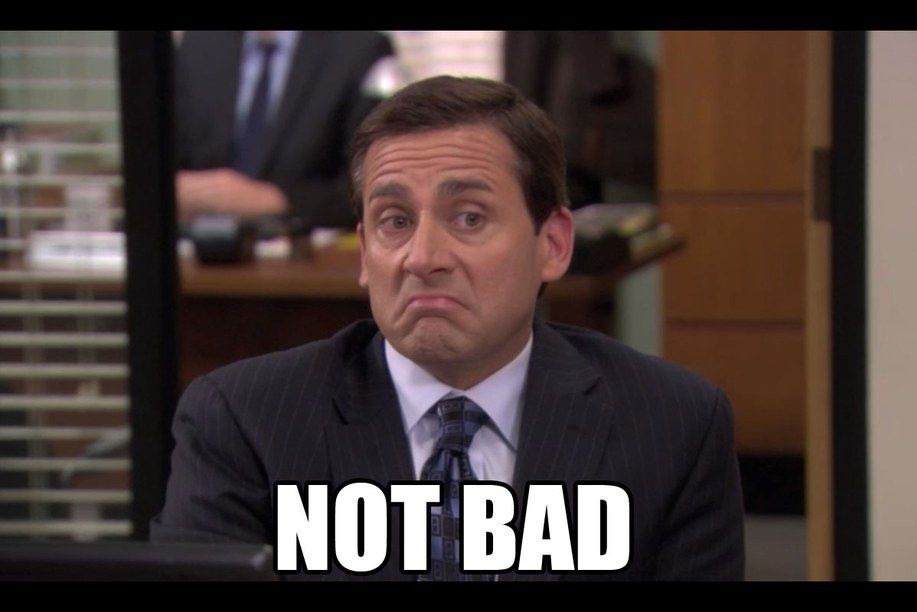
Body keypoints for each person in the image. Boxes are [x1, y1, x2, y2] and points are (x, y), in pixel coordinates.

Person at [151, 76, 745, 581]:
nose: (423, 257)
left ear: (553, 244)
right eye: (394, 221)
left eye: (469, 217)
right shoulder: (242, 421)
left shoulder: (675, 425)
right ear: (364, 253)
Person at [175, 31, 394, 230]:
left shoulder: (360, 48)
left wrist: (275, 200)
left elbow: (375, 186)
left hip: (308, 251)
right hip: (199, 249)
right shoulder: (199, 44)